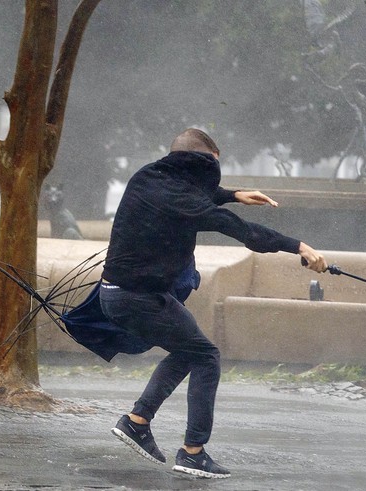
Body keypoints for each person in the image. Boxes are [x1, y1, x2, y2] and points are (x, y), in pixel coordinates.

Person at [101, 128, 327, 478]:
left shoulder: (148, 178)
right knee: (206, 356)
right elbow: (241, 231)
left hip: (124, 293)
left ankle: (137, 422)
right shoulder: (181, 198)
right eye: (212, 168)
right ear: (200, 164)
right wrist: (299, 246)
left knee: (190, 350)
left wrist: (234, 194)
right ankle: (193, 452)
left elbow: (192, 195)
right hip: (137, 298)